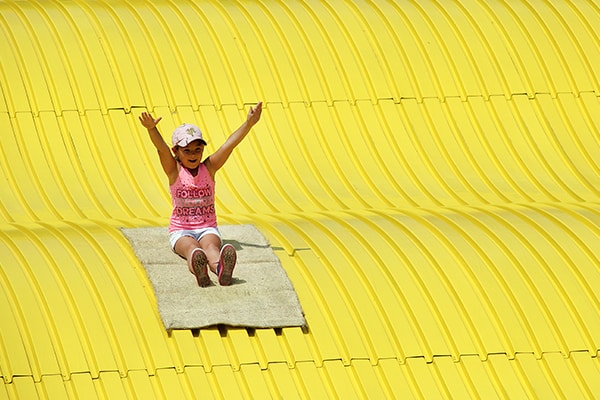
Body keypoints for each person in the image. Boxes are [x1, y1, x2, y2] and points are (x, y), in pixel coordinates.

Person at [139, 102, 263, 287]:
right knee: (193, 249)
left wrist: (249, 124)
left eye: (198, 150)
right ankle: (200, 269)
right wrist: (152, 129)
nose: (193, 154)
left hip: (207, 228)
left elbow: (229, 145)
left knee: (212, 248)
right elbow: (161, 149)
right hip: (181, 230)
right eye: (187, 150)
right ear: (177, 152)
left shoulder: (209, 167)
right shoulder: (174, 170)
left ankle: (221, 270)